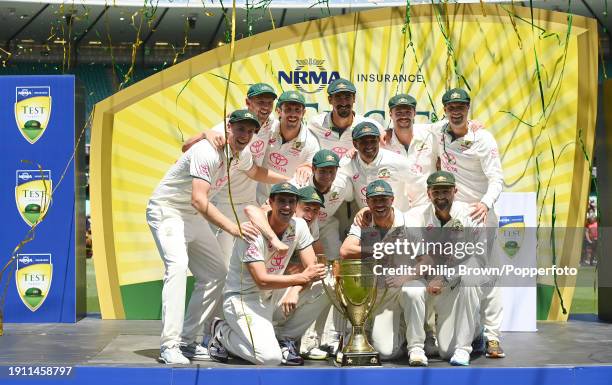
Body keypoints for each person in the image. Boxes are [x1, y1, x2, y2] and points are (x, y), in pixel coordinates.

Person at [147, 110, 288, 364]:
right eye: (240, 129)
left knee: (215, 274)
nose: (245, 134)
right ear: (229, 127)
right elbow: (199, 200)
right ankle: (169, 345)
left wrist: (291, 179)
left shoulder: (242, 153)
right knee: (177, 267)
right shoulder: (208, 151)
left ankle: (187, 342)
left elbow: (255, 172)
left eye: (250, 130)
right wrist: (234, 228)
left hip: (191, 216)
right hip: (167, 210)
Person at [207, 183, 328, 366]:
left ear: (296, 206)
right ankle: (222, 332)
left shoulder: (300, 226)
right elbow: (262, 280)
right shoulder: (252, 232)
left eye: (291, 202)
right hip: (243, 299)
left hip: (272, 295)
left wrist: (295, 289)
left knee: (325, 283)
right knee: (270, 358)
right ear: (271, 202)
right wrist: (300, 278)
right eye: (281, 201)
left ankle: (283, 338)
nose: (286, 206)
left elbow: (312, 269)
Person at [434, 88, 505, 358]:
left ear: (468, 108)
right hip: (454, 214)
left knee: (488, 277)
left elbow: (497, 178)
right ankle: (470, 334)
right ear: (444, 110)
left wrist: (485, 204)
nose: (456, 110)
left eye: (460, 106)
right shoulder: (439, 131)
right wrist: (387, 132)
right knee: (460, 275)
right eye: (451, 106)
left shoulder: (483, 139)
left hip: (481, 213)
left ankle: (493, 336)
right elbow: (413, 127)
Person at [181, 83, 279, 259]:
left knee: (250, 262)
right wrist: (204, 134)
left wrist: (296, 173)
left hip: (249, 204)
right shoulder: (232, 125)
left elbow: (255, 171)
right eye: (260, 102)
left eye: (269, 103)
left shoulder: (270, 122)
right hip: (224, 204)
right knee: (222, 265)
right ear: (248, 102)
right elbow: (186, 148)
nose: (265, 107)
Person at [340, 180, 428, 366]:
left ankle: (416, 347)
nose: (379, 204)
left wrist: (405, 276)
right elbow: (345, 251)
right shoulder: (364, 221)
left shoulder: (409, 222)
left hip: (403, 285)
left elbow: (426, 261)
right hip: (378, 293)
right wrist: (377, 248)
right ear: (368, 202)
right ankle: (401, 330)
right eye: (374, 200)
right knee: (386, 352)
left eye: (384, 199)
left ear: (392, 200)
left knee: (414, 290)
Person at [404, 171, 488, 366]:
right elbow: (421, 256)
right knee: (444, 352)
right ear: (428, 193)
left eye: (446, 191)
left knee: (472, 276)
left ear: (455, 191)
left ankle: (465, 346)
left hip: (456, 283)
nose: (441, 196)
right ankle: (417, 347)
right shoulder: (416, 217)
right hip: (429, 281)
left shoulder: (471, 215)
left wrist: (445, 276)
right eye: (436, 191)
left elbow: (479, 258)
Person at [255, 91, 320, 203]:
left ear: (303, 112)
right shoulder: (268, 127)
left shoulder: (311, 143)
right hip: (257, 198)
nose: (293, 114)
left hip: (285, 204)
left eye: (297, 110)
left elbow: (312, 174)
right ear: (279, 111)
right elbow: (247, 113)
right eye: (288, 109)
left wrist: (309, 167)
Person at [339, 121, 418, 212]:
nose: (369, 146)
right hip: (368, 222)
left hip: (399, 222)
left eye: (373, 141)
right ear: (355, 144)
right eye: (364, 141)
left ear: (378, 141)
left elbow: (420, 187)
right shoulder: (347, 163)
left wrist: (414, 216)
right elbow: (347, 195)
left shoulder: (397, 161)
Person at [307, 78, 380, 158]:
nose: (343, 102)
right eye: (338, 97)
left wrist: (389, 132)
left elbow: (386, 141)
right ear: (330, 100)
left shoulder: (368, 126)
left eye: (347, 97)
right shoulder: (316, 123)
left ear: (354, 99)